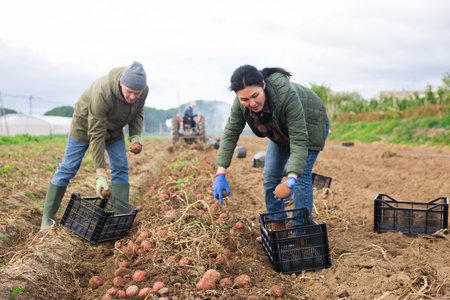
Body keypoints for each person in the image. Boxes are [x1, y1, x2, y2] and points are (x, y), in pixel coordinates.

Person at [212, 64, 329, 239]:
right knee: (270, 177)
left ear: (263, 85)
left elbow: (298, 139)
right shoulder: (241, 103)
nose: (251, 103)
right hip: (280, 130)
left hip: (311, 124)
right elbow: (230, 134)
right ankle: (278, 228)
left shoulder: (286, 96)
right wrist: (220, 172)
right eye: (244, 99)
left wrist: (291, 177)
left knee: (302, 176)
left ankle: (301, 234)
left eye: (255, 96)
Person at [40, 61, 149, 231]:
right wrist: (100, 174)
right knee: (68, 168)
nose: (133, 97)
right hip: (84, 127)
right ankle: (47, 220)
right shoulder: (103, 91)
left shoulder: (143, 91)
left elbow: (137, 113)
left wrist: (135, 136)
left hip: (113, 129)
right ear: (121, 84)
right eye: (130, 92)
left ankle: (118, 221)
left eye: (137, 93)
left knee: (121, 167)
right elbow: (96, 133)